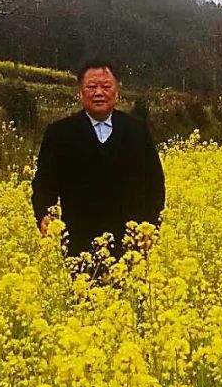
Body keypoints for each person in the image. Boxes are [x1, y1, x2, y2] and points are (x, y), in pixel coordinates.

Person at [32, 59, 165, 274]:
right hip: (79, 243)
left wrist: (150, 228)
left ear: (117, 91)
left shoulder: (137, 130)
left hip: (130, 244)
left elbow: (154, 183)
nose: (99, 93)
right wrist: (44, 216)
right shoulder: (59, 133)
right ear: (80, 92)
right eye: (91, 87)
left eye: (106, 86)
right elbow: (44, 184)